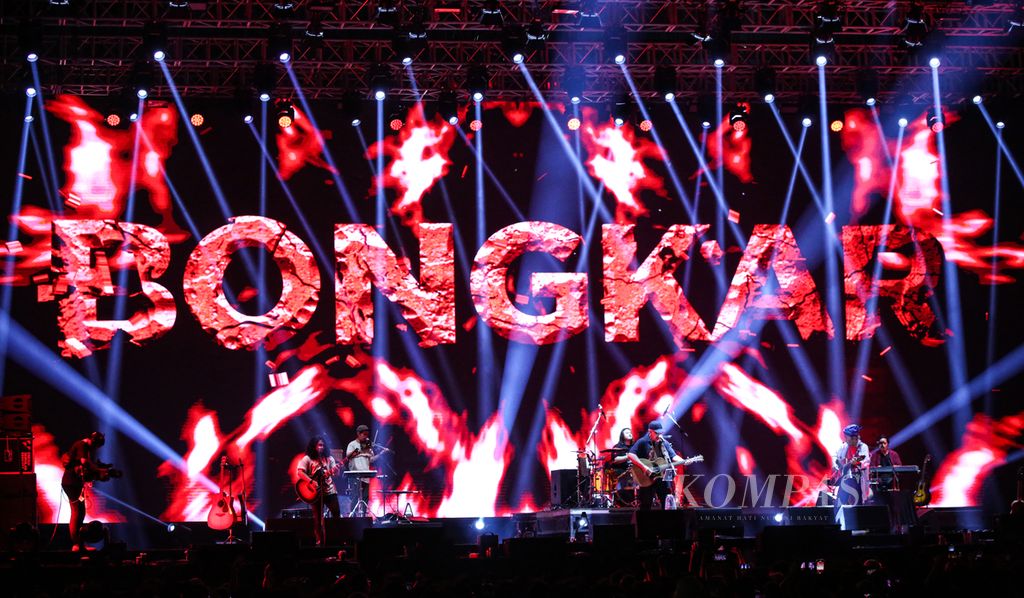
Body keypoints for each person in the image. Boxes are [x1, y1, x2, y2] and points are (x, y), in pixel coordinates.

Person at [61, 431, 112, 551]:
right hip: (71, 483)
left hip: (74, 483)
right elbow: (84, 462)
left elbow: (83, 467)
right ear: (94, 442)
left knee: (80, 512)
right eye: (96, 446)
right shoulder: (82, 445)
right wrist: (99, 470)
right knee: (77, 512)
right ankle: (76, 544)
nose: (95, 449)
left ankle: (78, 544)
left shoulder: (84, 446)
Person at [628, 421, 685, 510]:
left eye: (660, 433)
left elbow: (673, 456)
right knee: (646, 505)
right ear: (650, 432)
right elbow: (630, 455)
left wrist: (684, 461)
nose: (659, 435)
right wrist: (644, 467)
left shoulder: (663, 442)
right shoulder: (643, 441)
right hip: (646, 478)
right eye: (657, 433)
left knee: (666, 503)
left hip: (661, 477)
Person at [296, 435, 340, 546]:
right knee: (317, 518)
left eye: (323, 445)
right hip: (315, 493)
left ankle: (336, 539)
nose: (322, 447)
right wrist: (311, 481)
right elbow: (300, 472)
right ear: (314, 446)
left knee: (336, 514)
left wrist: (336, 470)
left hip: (329, 491)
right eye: (319, 445)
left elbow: (336, 474)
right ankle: (319, 540)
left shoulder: (329, 459)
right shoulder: (307, 459)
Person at [345, 425, 389, 516]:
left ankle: (364, 515)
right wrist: (362, 450)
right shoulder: (352, 444)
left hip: (366, 475)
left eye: (367, 435)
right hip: (355, 475)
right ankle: (353, 516)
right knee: (355, 497)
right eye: (364, 435)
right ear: (358, 434)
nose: (366, 437)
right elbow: (348, 456)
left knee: (365, 497)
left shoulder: (368, 447)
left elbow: (371, 459)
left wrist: (381, 454)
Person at [831, 424, 870, 508]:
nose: (845, 438)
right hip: (845, 479)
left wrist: (857, 462)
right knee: (840, 502)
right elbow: (834, 456)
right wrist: (835, 465)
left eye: (846, 437)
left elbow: (865, 460)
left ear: (853, 438)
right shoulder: (843, 446)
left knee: (857, 503)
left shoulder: (863, 447)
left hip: (857, 479)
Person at [608, 428, 636, 507]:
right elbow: (615, 459)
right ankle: (622, 501)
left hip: (635, 470)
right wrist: (628, 456)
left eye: (630, 432)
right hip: (622, 471)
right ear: (622, 436)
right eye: (627, 433)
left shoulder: (635, 446)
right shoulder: (618, 447)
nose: (630, 434)